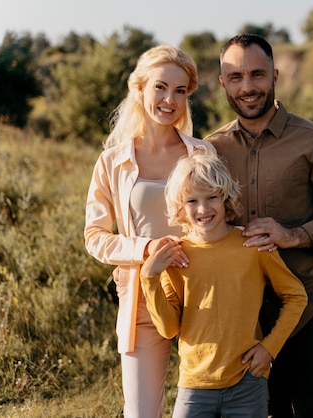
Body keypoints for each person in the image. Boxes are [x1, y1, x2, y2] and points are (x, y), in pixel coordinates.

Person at [204, 34, 313, 418]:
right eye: (235, 77)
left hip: (309, 299)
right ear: (223, 83)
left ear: (275, 76)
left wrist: (293, 235)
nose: (247, 87)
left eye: (257, 75)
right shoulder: (210, 150)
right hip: (245, 314)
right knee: (264, 412)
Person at [84, 45, 216, 418]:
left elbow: (222, 216)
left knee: (205, 409)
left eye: (179, 91)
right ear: (140, 89)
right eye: (160, 87)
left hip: (203, 294)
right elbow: (94, 236)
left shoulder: (202, 154)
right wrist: (146, 249)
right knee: (141, 413)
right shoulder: (112, 161)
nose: (169, 99)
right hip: (143, 297)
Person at [140, 151, 308, 418]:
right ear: (180, 206)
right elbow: (169, 328)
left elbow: (296, 296)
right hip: (194, 384)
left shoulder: (253, 246)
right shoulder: (176, 255)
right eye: (192, 201)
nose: (203, 209)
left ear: (226, 198)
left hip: (247, 380)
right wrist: (149, 278)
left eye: (212, 198)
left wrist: (269, 348)